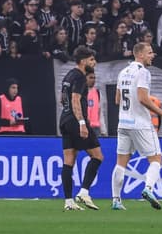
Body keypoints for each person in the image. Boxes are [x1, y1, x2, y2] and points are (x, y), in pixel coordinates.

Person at [111, 42, 162, 211]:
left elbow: (117, 100)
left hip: (123, 123)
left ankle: (116, 200)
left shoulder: (122, 72)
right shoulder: (143, 72)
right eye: (149, 52)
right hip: (140, 123)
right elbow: (142, 98)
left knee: (120, 163)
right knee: (156, 159)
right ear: (139, 55)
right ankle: (148, 189)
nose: (152, 55)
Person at [58, 46, 103, 211]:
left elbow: (62, 100)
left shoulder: (68, 75)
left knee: (68, 161)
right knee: (97, 156)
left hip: (64, 120)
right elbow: (75, 100)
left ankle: (69, 201)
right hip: (76, 121)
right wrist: (82, 123)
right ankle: (84, 192)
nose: (94, 62)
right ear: (83, 61)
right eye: (92, 59)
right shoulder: (80, 77)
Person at [86, 70, 103, 137]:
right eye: (90, 78)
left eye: (94, 78)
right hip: (84, 126)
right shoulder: (80, 92)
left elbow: (100, 112)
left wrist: (103, 130)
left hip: (96, 128)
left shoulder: (97, 92)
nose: (93, 80)